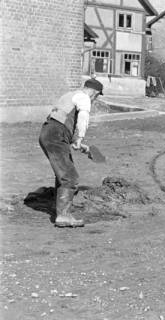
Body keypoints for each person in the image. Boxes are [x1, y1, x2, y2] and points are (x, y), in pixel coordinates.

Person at [38, 78, 103, 227]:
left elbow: (63, 122)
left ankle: (59, 209)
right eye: (97, 96)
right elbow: (83, 117)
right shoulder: (84, 97)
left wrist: (80, 145)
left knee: (63, 173)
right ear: (94, 92)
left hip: (48, 133)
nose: (95, 99)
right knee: (70, 176)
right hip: (56, 135)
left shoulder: (69, 95)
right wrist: (80, 137)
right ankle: (63, 216)